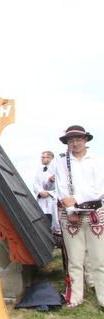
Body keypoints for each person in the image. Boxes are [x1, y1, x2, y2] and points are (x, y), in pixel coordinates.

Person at [44, 125, 104, 308]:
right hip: (70, 215)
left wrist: (76, 200)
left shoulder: (97, 160)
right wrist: (71, 211)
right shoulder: (60, 162)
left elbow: (98, 189)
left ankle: (102, 298)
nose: (75, 143)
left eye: (78, 139)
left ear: (86, 140)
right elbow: (61, 187)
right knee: (74, 259)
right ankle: (75, 298)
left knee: (99, 259)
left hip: (94, 212)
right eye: (71, 141)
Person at [32, 150, 58, 232]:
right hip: (41, 200)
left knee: (54, 220)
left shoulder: (57, 169)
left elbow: (59, 185)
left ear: (50, 158)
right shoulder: (39, 170)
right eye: (41, 157)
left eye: (43, 157)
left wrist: (49, 193)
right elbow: (35, 183)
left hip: (52, 200)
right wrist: (40, 192)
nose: (41, 159)